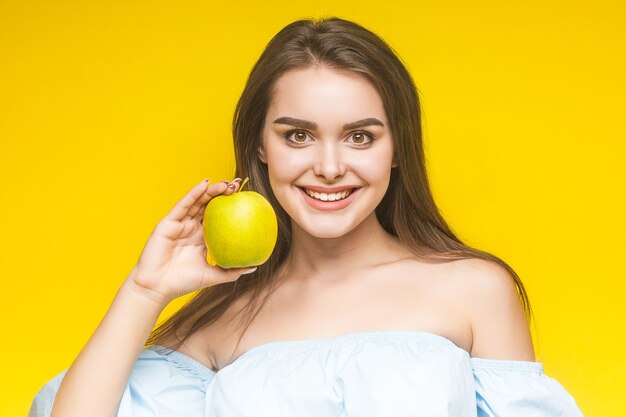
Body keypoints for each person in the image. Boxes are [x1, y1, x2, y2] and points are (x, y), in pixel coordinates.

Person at [29, 17, 585, 417]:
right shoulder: (224, 318)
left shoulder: (474, 290)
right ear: (262, 147)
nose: (328, 166)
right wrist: (146, 289)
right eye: (298, 135)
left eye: (360, 136)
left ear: (397, 149)